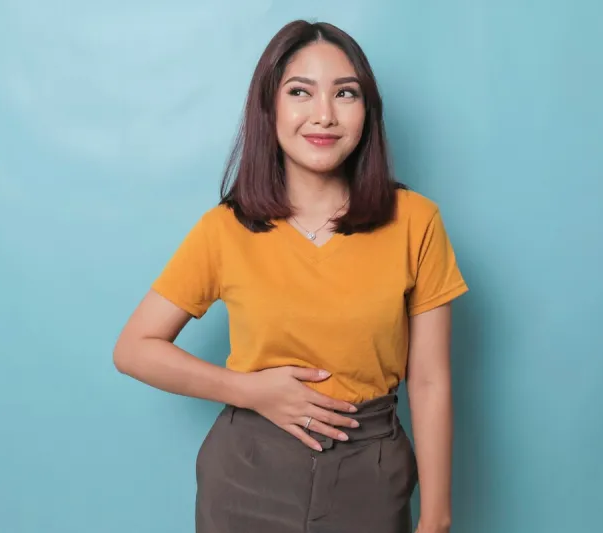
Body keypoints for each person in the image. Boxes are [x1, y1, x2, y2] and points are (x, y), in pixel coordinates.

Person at [113, 19, 468, 533]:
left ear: (367, 111)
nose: (323, 115)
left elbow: (431, 380)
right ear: (270, 108)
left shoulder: (416, 222)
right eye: (300, 92)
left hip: (370, 471)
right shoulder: (225, 229)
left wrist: (435, 517)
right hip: (247, 473)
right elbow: (134, 348)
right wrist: (248, 390)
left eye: (345, 94)